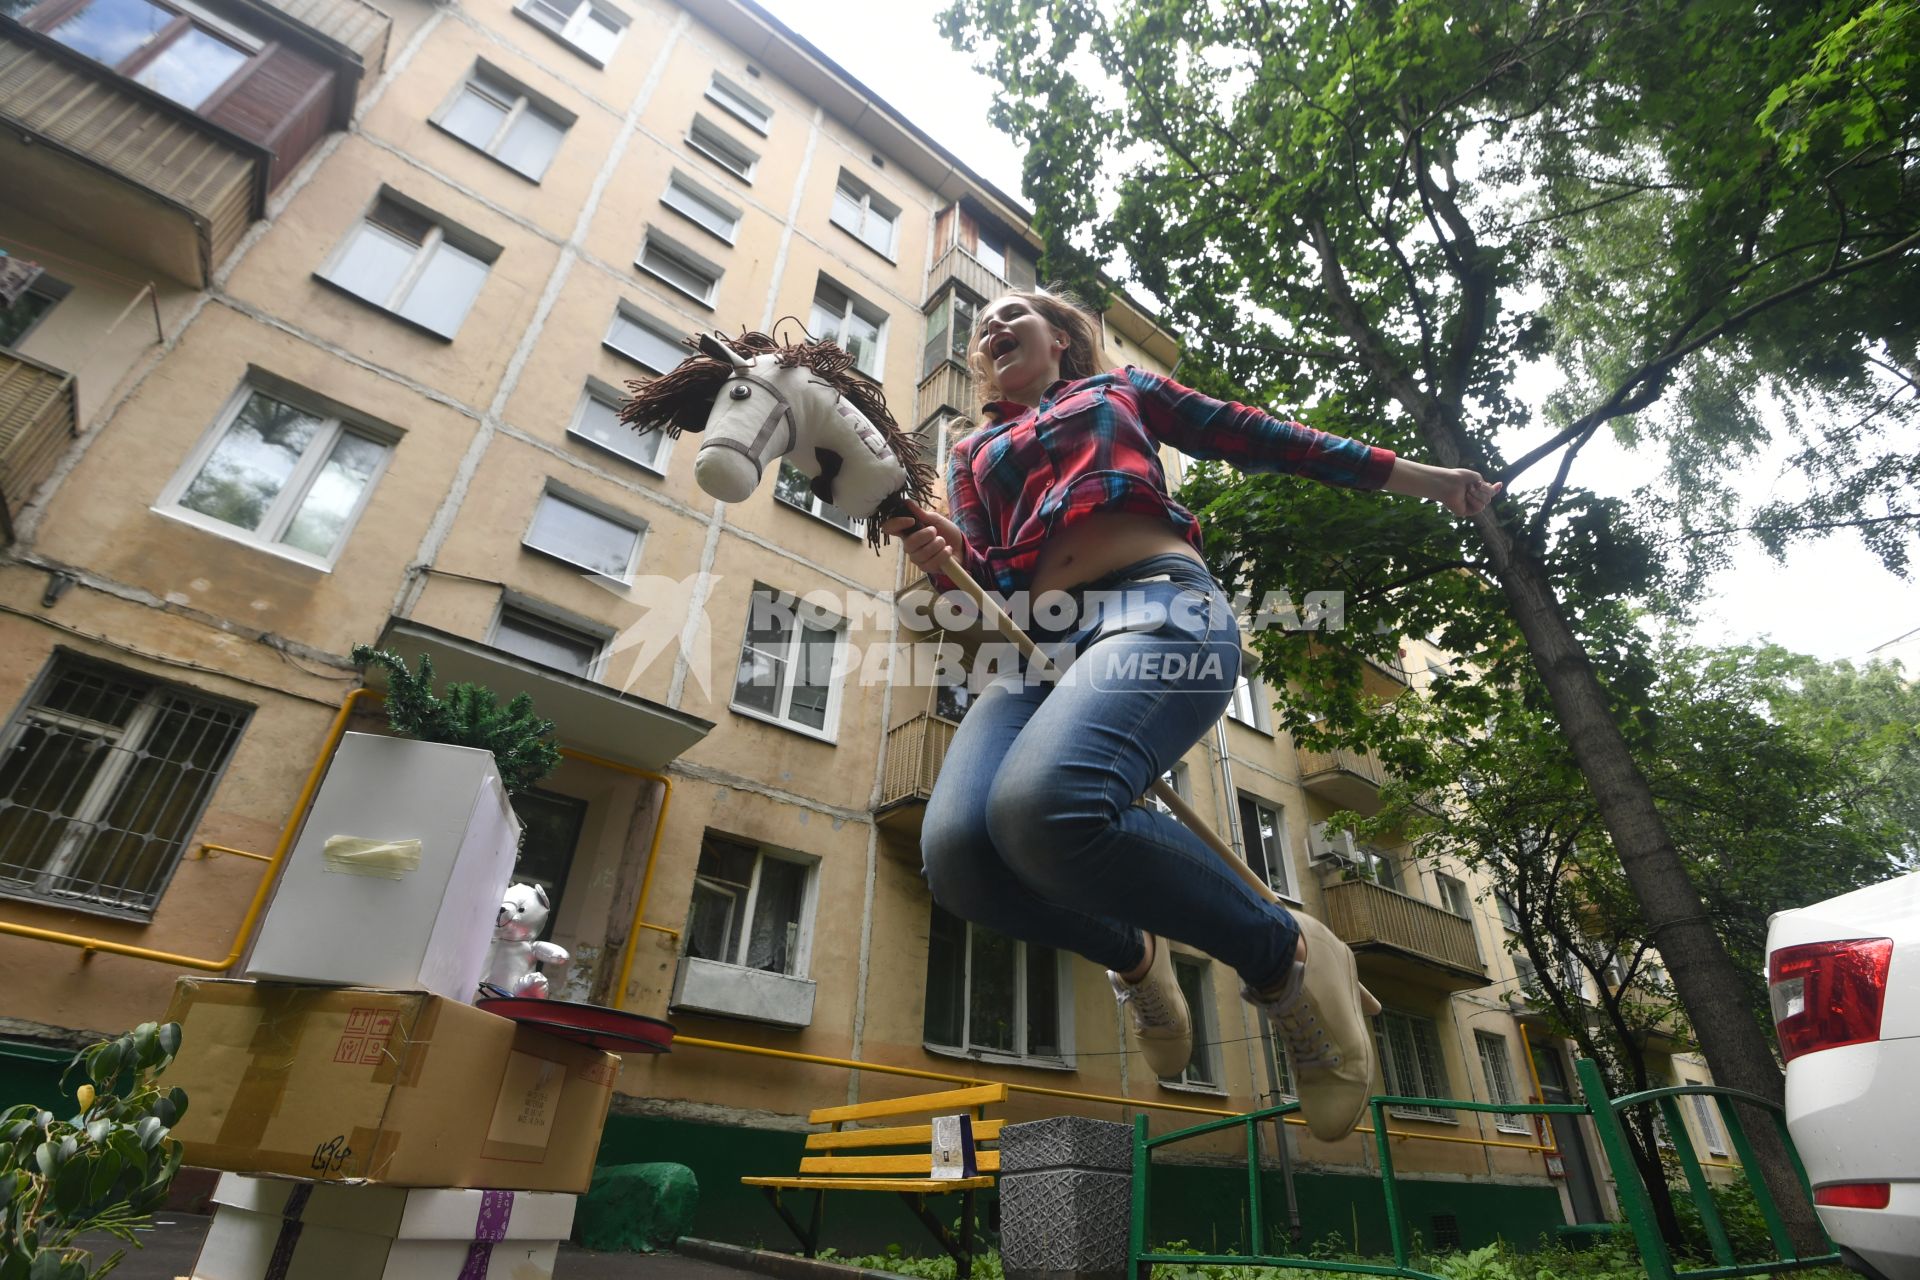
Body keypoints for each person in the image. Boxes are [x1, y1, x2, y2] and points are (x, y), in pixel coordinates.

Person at [881, 288, 1500, 1140]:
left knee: (1044, 805)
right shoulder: (971, 448)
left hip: (1155, 606)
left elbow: (1258, 433)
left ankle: (1281, 958)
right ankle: (1135, 956)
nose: (993, 321)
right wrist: (948, 557)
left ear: (1062, 335)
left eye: (1014, 308)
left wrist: (1418, 477)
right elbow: (993, 576)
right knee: (959, 860)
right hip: (1039, 647)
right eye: (984, 319)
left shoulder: (1120, 392)